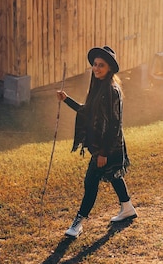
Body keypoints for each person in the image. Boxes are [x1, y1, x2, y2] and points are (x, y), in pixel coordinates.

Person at [56, 46, 137, 238]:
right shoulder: (98, 87)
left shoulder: (112, 90)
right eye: (95, 64)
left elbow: (115, 125)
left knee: (90, 182)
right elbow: (87, 111)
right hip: (102, 146)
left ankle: (77, 224)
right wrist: (67, 100)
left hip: (108, 146)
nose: (96, 68)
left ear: (109, 68)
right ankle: (127, 208)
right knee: (114, 175)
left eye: (101, 65)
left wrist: (103, 153)